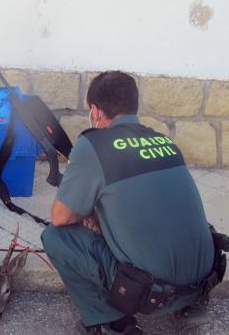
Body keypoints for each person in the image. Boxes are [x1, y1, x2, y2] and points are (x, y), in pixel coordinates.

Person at [41, 71, 215, 335]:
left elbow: (61, 217)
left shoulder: (93, 144)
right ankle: (190, 306)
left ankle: (110, 322)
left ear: (96, 112)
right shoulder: (165, 142)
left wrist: (89, 213)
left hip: (150, 295)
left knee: (56, 237)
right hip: (202, 280)